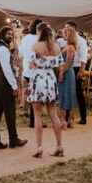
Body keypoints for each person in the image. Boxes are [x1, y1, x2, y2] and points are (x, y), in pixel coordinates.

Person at [28, 22, 64, 158]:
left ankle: (39, 147)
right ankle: (59, 145)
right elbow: (60, 67)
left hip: (38, 78)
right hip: (50, 78)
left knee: (37, 115)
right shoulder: (56, 47)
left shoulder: (36, 46)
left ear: (41, 34)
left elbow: (31, 66)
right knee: (53, 114)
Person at [0, 26, 27, 149]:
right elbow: (6, 70)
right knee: (10, 112)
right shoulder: (3, 49)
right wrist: (14, 86)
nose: (10, 36)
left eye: (12, 34)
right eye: (8, 34)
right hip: (2, 83)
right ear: (2, 34)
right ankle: (13, 139)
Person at [57, 20, 88, 124]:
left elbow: (84, 56)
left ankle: (83, 117)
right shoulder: (62, 41)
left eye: (67, 28)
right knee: (68, 93)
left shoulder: (81, 41)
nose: (64, 31)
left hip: (75, 67)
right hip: (67, 68)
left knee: (78, 93)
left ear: (72, 29)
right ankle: (69, 118)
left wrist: (81, 70)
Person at [18, 18, 41, 128]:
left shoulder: (25, 38)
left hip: (26, 69)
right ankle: (34, 121)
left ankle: (28, 114)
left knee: (28, 92)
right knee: (36, 96)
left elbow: (21, 53)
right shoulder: (39, 39)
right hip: (36, 70)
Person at [57, 26, 77, 129]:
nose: (63, 35)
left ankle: (64, 120)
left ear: (69, 35)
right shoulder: (66, 46)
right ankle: (69, 120)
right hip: (66, 71)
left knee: (66, 95)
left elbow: (68, 63)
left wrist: (61, 74)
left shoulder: (70, 47)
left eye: (65, 33)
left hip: (67, 72)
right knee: (66, 95)